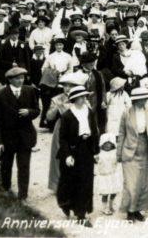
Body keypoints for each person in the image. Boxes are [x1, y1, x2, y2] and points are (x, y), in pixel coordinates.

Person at [117, 87, 148, 222]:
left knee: (144, 183)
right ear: (136, 100)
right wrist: (119, 153)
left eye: (146, 98)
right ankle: (130, 211)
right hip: (130, 151)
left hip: (146, 149)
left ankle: (138, 210)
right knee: (131, 184)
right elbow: (121, 133)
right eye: (143, 99)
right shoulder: (126, 113)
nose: (145, 100)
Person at [0, 67, 40, 201]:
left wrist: (29, 112)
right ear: (10, 80)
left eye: (22, 78)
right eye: (17, 78)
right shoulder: (0, 95)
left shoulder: (30, 91)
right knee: (6, 165)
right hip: (8, 138)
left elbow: (37, 110)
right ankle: (6, 189)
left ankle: (22, 195)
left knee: (24, 166)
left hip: (25, 137)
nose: (20, 80)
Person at [56, 86, 99, 225]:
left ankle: (82, 213)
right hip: (73, 149)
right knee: (70, 181)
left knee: (86, 181)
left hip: (86, 148)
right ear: (74, 99)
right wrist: (67, 155)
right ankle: (66, 204)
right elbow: (62, 138)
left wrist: (96, 151)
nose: (84, 99)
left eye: (85, 96)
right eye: (81, 97)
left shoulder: (89, 112)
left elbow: (95, 131)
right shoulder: (67, 115)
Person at [48, 72, 87, 192]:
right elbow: (49, 117)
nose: (67, 88)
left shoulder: (82, 98)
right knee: (60, 156)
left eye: (71, 86)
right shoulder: (57, 98)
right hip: (62, 129)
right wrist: (55, 108)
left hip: (78, 129)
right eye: (65, 85)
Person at [40, 37, 73, 128]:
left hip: (63, 80)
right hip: (52, 82)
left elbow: (71, 68)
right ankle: (50, 123)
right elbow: (43, 68)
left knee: (63, 102)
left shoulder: (68, 56)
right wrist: (52, 74)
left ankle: (63, 123)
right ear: (54, 46)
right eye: (57, 45)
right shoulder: (50, 56)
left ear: (63, 46)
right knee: (53, 102)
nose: (59, 46)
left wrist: (64, 75)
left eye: (61, 45)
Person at [96, 133, 123, 216]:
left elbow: (119, 160)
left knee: (113, 192)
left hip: (113, 176)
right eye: (105, 144)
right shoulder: (99, 154)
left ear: (113, 145)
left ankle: (111, 205)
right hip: (104, 176)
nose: (107, 146)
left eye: (110, 144)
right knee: (105, 194)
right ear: (102, 144)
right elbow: (96, 161)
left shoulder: (115, 153)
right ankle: (104, 208)